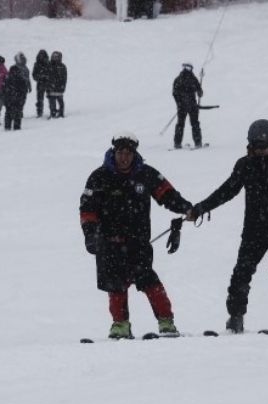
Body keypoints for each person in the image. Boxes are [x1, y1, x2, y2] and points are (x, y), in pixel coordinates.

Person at [187, 119, 268, 333]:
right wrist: (201, 208)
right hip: (254, 228)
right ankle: (235, 317)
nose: (260, 152)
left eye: (264, 147)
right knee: (242, 271)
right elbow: (227, 190)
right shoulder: (245, 165)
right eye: (256, 147)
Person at [79, 132, 193, 339]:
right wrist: (90, 235)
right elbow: (87, 209)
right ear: (114, 152)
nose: (125, 157)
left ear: (134, 154)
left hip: (138, 242)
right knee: (116, 286)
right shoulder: (99, 177)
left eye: (129, 153)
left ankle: (166, 322)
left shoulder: (146, 174)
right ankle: (120, 325)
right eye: (121, 152)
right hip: (109, 243)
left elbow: (167, 195)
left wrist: (186, 208)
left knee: (149, 281)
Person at [172, 63, 203, 149]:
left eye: (188, 67)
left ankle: (196, 142)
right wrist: (180, 103)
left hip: (189, 106)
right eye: (186, 67)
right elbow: (175, 93)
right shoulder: (181, 79)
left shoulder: (191, 79)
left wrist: (200, 92)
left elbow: (199, 89)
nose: (187, 69)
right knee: (184, 124)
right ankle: (179, 143)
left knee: (190, 124)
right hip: (186, 107)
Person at [3, 65, 29, 131]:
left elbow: (24, 91)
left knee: (13, 113)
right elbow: (4, 90)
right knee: (12, 113)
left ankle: (11, 127)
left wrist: (22, 100)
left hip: (14, 99)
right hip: (13, 99)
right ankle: (11, 127)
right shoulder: (9, 79)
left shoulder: (9, 79)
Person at [47, 51, 67, 119]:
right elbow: (47, 76)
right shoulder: (49, 65)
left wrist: (63, 86)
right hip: (51, 87)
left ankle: (61, 113)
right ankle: (53, 113)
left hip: (59, 87)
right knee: (52, 102)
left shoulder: (62, 66)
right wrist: (48, 85)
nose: (55, 58)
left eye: (56, 56)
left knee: (60, 101)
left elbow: (64, 77)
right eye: (54, 56)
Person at [31, 50, 50, 118]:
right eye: (40, 55)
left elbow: (51, 73)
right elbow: (34, 75)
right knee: (39, 99)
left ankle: (52, 111)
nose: (41, 57)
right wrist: (40, 77)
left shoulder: (49, 63)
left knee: (51, 98)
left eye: (42, 55)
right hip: (40, 83)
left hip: (48, 83)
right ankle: (39, 112)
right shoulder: (36, 64)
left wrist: (47, 77)